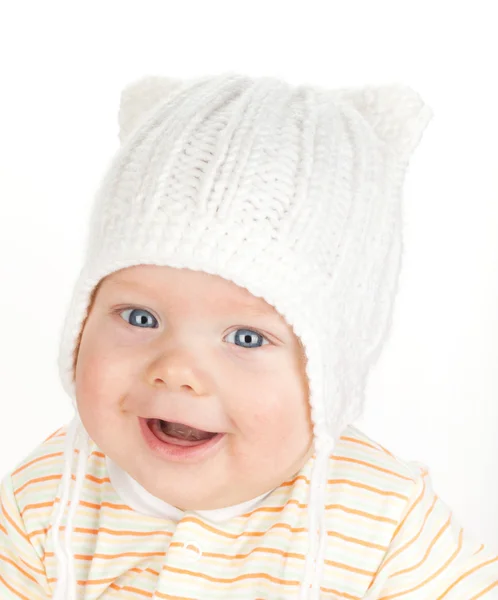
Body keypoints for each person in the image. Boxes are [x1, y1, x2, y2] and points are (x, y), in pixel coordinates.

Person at [0, 72, 496, 600]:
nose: (177, 370)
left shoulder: (387, 523)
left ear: (331, 371)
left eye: (246, 338)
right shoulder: (46, 499)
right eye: (140, 317)